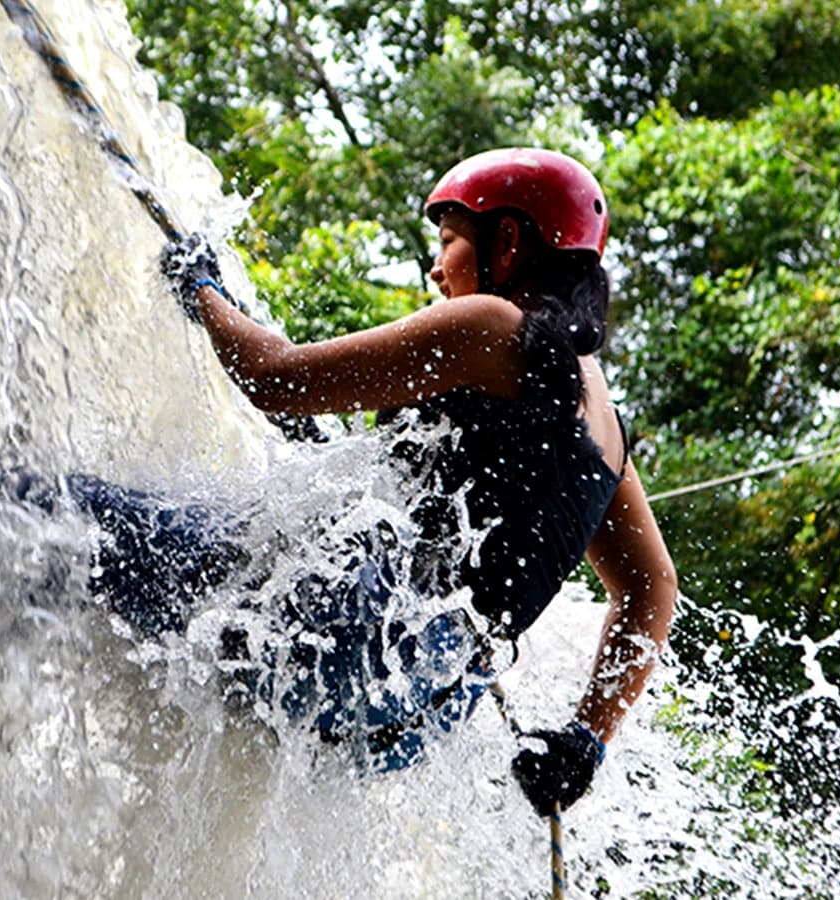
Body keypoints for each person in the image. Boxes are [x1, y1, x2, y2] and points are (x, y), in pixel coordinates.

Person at [146, 147, 677, 816]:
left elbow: (273, 377)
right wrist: (584, 744)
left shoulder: (491, 326)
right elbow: (652, 586)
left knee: (48, 521)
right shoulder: (604, 422)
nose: (435, 267)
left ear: (506, 242)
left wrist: (203, 291)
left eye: (450, 241)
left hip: (351, 633)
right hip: (414, 714)